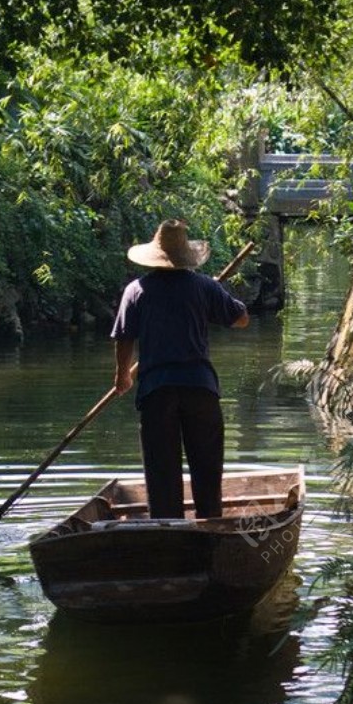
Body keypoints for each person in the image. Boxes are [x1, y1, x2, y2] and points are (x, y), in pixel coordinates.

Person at [110, 218, 249, 519]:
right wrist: (217, 296)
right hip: (200, 389)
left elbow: (124, 338)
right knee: (207, 467)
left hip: (156, 391)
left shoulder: (136, 290)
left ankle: (165, 530)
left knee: (161, 473)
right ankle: (210, 525)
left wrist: (122, 376)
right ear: (186, 256)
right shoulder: (204, 286)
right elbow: (241, 319)